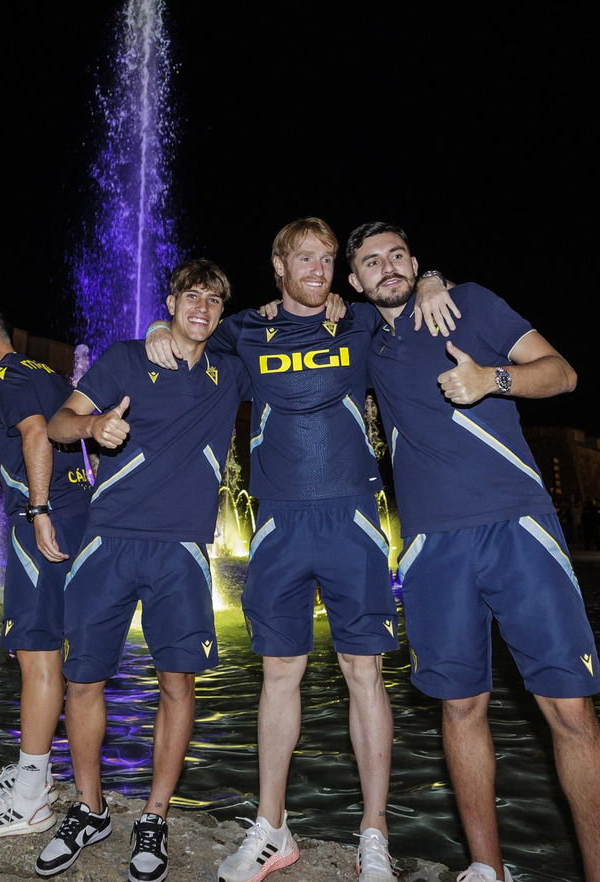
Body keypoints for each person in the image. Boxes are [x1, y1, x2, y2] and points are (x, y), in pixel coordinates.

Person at [143, 218, 457, 882]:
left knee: (364, 676)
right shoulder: (244, 331)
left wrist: (429, 278)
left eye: (326, 258)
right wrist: (156, 332)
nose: (317, 267)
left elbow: (406, 293)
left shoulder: (363, 323)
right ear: (279, 267)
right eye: (302, 257)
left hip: (354, 523)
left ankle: (374, 833)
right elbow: (190, 337)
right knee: (278, 677)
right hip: (279, 528)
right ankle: (272, 827)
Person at [349, 220, 600, 882]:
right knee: (461, 706)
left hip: (517, 528)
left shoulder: (471, 303)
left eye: (399, 255)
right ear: (353, 281)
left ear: (415, 261)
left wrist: (492, 380)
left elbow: (562, 373)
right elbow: (280, 315)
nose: (389, 267)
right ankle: (485, 869)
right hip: (433, 547)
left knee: (570, 709)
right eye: (371, 261)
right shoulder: (360, 335)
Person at [28, 260, 249, 880]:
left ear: (220, 312)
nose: (201, 308)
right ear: (173, 301)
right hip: (109, 541)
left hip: (179, 550)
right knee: (84, 680)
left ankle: (154, 814)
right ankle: (89, 807)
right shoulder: (125, 359)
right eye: (191, 296)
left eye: (213, 300)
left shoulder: (228, 368)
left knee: (177, 684)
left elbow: (284, 329)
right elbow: (57, 423)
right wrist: (95, 426)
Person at [0, 304, 92, 840]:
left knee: (36, 651)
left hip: (46, 516)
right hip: (73, 510)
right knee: (45, 647)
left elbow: (35, 436)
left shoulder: (8, 378)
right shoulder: (47, 373)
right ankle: (37, 767)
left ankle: (30, 798)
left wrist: (37, 510)